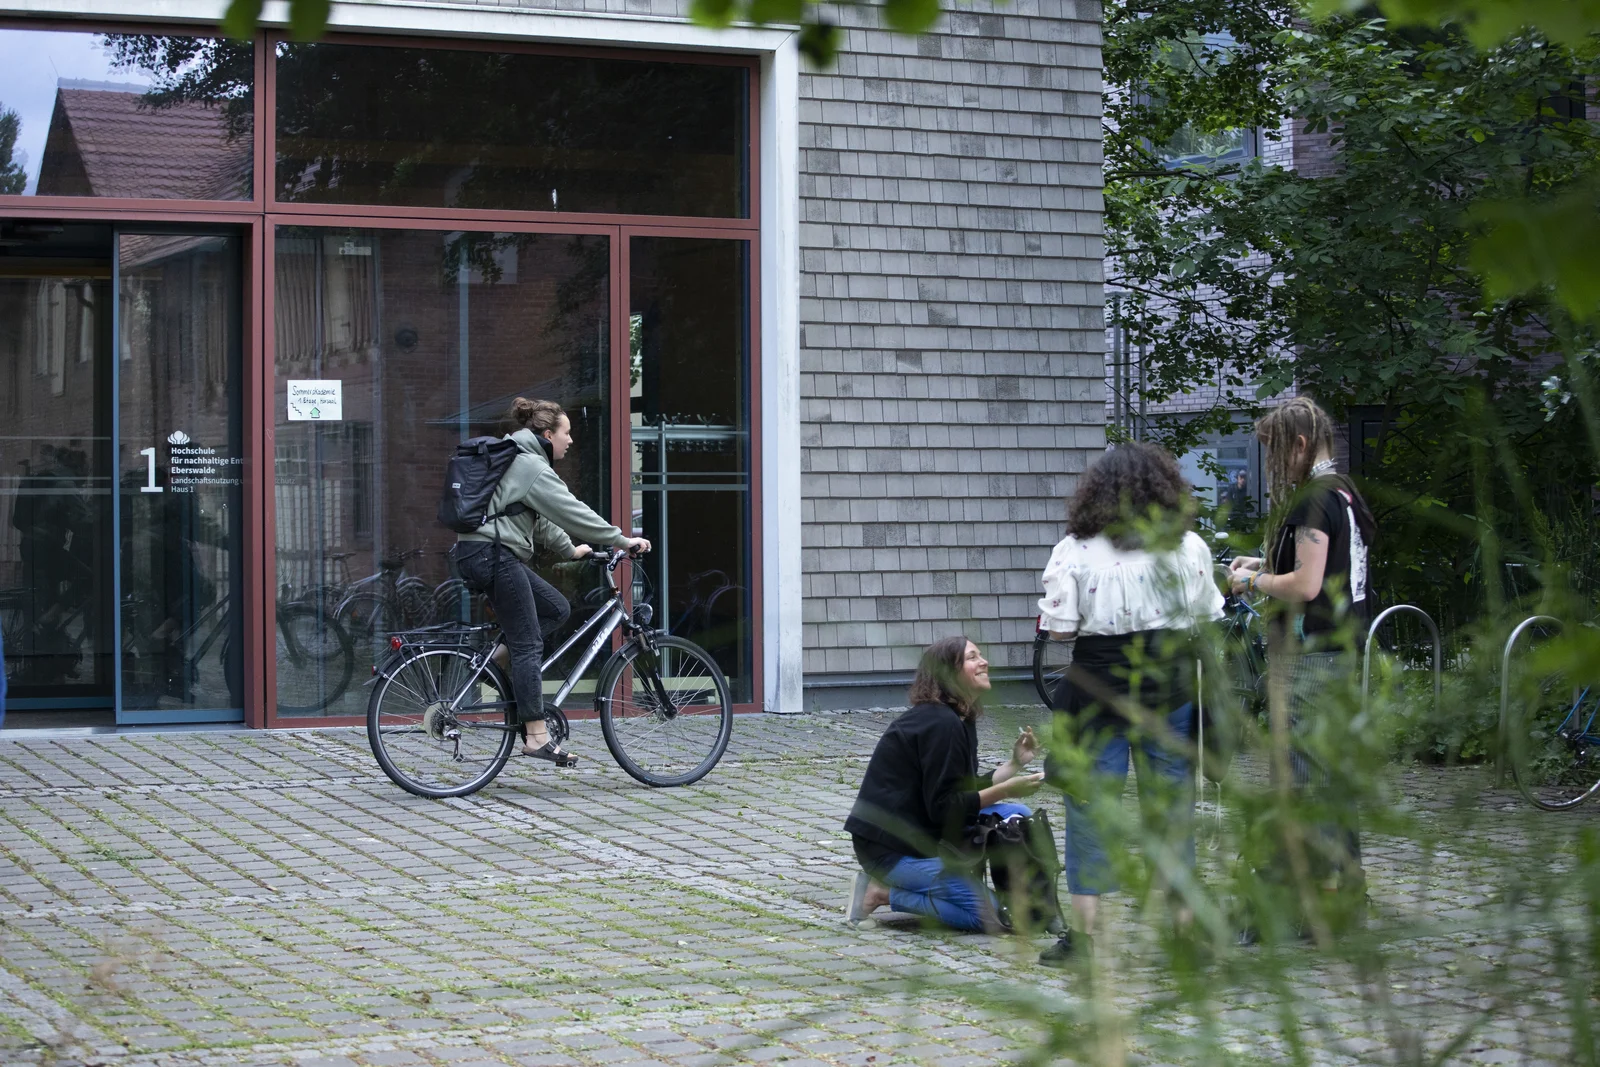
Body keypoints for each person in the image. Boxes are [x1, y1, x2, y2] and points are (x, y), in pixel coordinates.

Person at [1035, 442, 1225, 965]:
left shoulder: (1074, 551)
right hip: (1170, 693)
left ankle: (1085, 940)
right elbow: (1209, 617)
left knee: (1090, 810)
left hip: (1097, 696)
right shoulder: (1188, 547)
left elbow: (1059, 631)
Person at [1226, 397, 1376, 933]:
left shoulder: (1313, 500)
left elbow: (1307, 585)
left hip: (1310, 660)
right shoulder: (1344, 492)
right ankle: (1344, 899)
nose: (1273, 465)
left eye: (1275, 452)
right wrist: (1264, 561)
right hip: (1340, 653)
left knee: (1301, 782)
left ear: (1301, 444)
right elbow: (1327, 567)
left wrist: (1250, 581)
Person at [449, 397, 650, 765]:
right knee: (528, 644)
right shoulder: (530, 466)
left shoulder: (516, 459)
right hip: (493, 555)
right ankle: (537, 736)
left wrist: (570, 550)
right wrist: (622, 540)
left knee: (556, 608)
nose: (570, 440)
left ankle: (493, 664)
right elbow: (571, 511)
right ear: (547, 435)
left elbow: (538, 519)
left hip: (480, 553)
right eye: (566, 433)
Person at [844, 636, 1046, 931]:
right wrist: (1005, 789)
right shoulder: (940, 724)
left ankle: (1017, 895)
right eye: (972, 657)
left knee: (1018, 813)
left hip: (924, 833)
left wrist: (1014, 765)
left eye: (981, 655)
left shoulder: (960, 718)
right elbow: (945, 808)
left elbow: (961, 787)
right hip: (892, 851)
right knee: (989, 917)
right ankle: (879, 893)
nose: (984, 662)